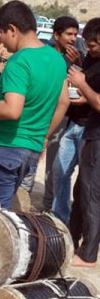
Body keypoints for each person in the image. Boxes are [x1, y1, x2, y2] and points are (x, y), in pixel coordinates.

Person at [0, 0, 69, 209]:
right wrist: (44, 135)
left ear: (12, 29)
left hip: (5, 148)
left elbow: (12, 109)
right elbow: (63, 102)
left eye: (2, 34)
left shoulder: (19, 61)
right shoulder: (57, 59)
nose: (2, 43)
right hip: (30, 150)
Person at [48, 16, 90, 224]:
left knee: (77, 176)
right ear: (57, 35)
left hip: (71, 119)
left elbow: (84, 85)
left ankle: (65, 217)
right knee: (55, 169)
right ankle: (55, 214)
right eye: (69, 34)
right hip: (54, 114)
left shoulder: (81, 56)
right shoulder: (49, 55)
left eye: (76, 34)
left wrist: (79, 65)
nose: (73, 39)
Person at [68, 17, 100, 268]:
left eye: (93, 46)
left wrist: (81, 84)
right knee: (81, 190)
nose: (90, 50)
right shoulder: (93, 60)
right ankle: (73, 238)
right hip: (92, 134)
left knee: (91, 194)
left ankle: (89, 254)